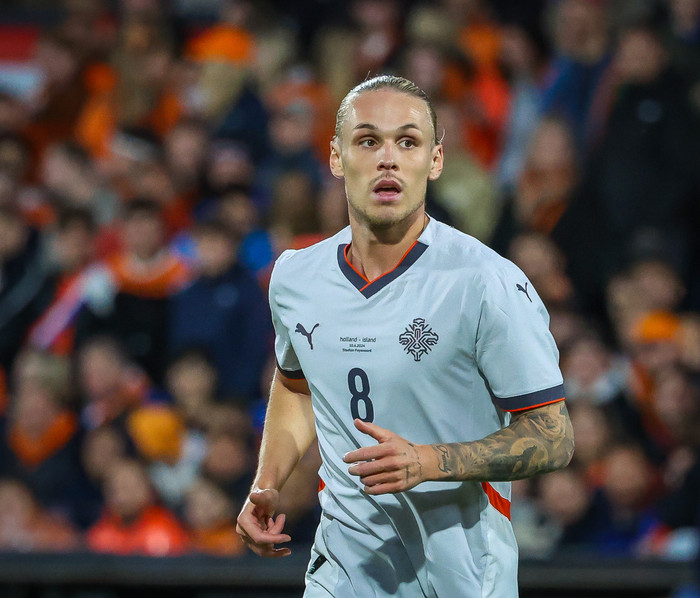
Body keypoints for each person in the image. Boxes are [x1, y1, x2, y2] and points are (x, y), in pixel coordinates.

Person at [236, 75, 575, 598]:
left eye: (408, 142)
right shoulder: (296, 277)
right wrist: (268, 481)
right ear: (336, 157)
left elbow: (554, 436)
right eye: (368, 141)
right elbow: (297, 386)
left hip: (461, 573)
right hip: (345, 568)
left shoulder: (486, 282)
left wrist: (429, 461)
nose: (388, 159)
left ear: (435, 161)